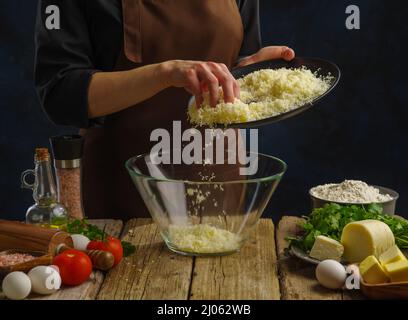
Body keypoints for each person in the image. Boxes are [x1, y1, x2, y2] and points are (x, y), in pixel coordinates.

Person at [35, 0, 295, 220]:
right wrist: (164, 73)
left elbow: (234, 70)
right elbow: (60, 93)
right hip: (123, 195)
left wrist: (253, 76)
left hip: (221, 184)